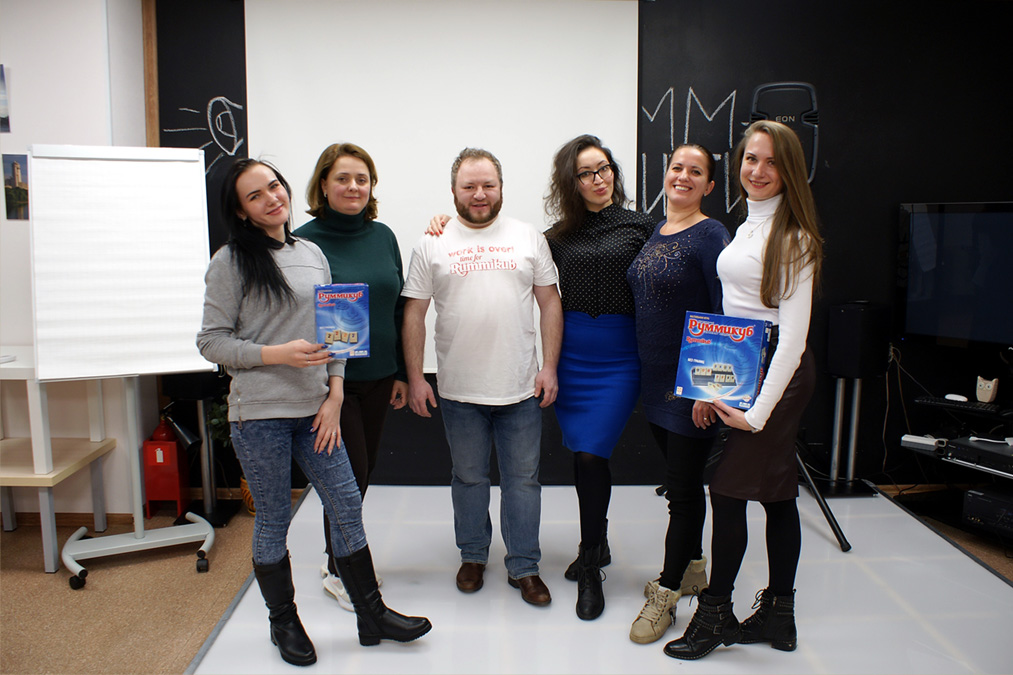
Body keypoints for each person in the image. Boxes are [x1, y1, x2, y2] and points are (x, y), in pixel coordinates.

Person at [197, 158, 430, 667]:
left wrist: (335, 394)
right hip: (259, 414)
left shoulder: (312, 254)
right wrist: (275, 353)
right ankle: (283, 622)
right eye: (255, 195)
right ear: (240, 211)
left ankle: (371, 615)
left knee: (346, 504)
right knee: (274, 519)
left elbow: (338, 332)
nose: (271, 198)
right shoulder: (230, 262)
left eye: (274, 186)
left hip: (316, 410)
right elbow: (211, 342)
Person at [663, 121, 823, 660]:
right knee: (777, 495)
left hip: (779, 373)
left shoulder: (795, 237)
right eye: (751, 158)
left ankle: (715, 615)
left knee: (728, 491)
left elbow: (792, 339)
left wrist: (757, 413)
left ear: (790, 170)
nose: (758, 170)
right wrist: (711, 387)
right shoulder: (748, 224)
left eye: (772, 161)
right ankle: (780, 616)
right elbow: (733, 317)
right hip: (743, 363)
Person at [401, 148, 563, 607]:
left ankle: (524, 566)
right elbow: (414, 313)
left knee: (523, 482)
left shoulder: (528, 237)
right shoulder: (432, 242)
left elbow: (550, 302)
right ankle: (472, 556)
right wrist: (416, 377)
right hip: (459, 391)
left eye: (488, 185)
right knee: (469, 478)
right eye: (469, 186)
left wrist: (549, 366)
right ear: (453, 190)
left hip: (521, 388)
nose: (479, 194)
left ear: (501, 188)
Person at [541, 134, 655, 621]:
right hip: (571, 355)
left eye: (604, 168)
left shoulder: (642, 226)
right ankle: (598, 543)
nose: (598, 179)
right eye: (586, 173)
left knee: (591, 452)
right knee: (583, 454)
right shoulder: (555, 237)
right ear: (572, 181)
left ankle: (590, 567)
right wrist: (446, 224)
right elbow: (509, 260)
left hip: (619, 357)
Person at [294, 143, 407, 611]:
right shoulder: (301, 242)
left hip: (379, 377)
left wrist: (402, 372)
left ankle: (336, 559)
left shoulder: (383, 236)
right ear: (323, 184)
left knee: (361, 476)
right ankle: (343, 571)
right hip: (329, 386)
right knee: (347, 480)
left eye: (362, 179)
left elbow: (397, 308)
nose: (353, 187)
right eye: (342, 178)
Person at [625, 143, 729, 643]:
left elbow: (724, 311)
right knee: (681, 484)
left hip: (692, 385)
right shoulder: (656, 230)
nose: (683, 176)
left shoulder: (711, 235)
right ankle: (693, 568)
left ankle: (665, 595)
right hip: (654, 380)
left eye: (696, 171)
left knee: (683, 492)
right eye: (677, 168)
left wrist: (710, 389)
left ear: (709, 185)